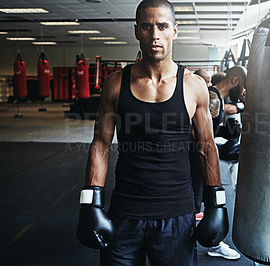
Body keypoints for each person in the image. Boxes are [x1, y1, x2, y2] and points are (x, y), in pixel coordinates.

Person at [76, 1, 229, 265]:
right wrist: (91, 201)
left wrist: (216, 201)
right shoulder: (116, 83)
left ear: (174, 31)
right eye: (147, 26)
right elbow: (101, 144)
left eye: (162, 26)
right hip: (125, 212)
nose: (155, 34)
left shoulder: (193, 86)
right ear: (137, 31)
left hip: (177, 215)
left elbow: (206, 146)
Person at [192, 67, 246, 260]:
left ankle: (211, 243)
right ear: (234, 82)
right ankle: (192, 246)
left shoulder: (217, 98)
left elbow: (207, 128)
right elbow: (198, 133)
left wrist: (222, 136)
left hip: (199, 155)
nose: (241, 95)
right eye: (242, 89)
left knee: (203, 201)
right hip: (196, 157)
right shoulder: (213, 97)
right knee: (195, 202)